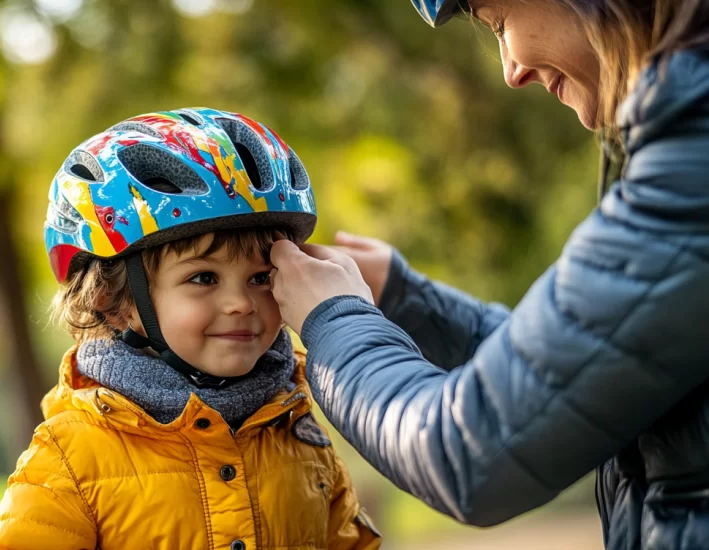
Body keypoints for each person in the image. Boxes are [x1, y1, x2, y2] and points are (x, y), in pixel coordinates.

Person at [268, 0, 709, 548]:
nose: (510, 69)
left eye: (499, 24)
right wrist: (404, 300)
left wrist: (333, 320)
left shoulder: (694, 169)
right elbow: (574, 374)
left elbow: (469, 453)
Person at [0, 108, 381, 550]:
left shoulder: (297, 430)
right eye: (203, 278)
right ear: (113, 302)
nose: (240, 303)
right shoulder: (70, 460)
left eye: (261, 278)